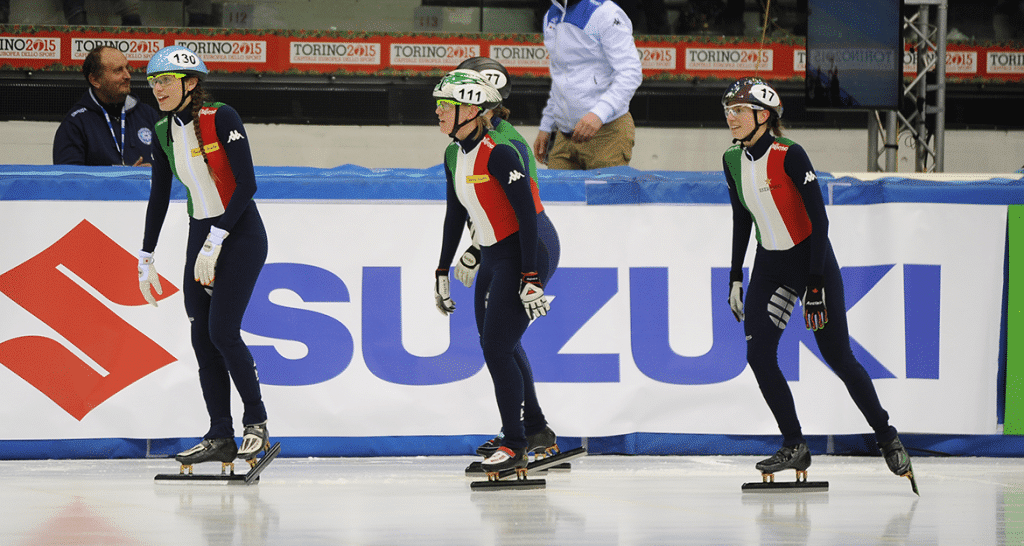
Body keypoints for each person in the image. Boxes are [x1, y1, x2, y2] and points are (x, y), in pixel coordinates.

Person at [721, 76, 915, 484]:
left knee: (839, 357)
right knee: (759, 356)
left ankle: (886, 436)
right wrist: (736, 275)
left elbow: (819, 220)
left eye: (738, 110)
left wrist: (813, 286)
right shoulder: (731, 160)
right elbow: (742, 218)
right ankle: (795, 444)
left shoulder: (791, 154)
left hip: (812, 262)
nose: (730, 117)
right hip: (769, 265)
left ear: (763, 115)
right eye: (729, 110)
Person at [137, 45, 271, 469]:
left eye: (165, 81)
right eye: (153, 81)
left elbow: (247, 183)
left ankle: (257, 424)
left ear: (190, 83)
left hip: (240, 233)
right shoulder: (162, 130)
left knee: (223, 331)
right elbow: (160, 193)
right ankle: (219, 434)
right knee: (201, 333)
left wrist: (217, 238)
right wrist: (146, 255)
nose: (157, 88)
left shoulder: (221, 117)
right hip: (201, 233)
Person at [432, 69, 561, 476]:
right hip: (492, 251)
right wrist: (441, 267)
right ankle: (534, 430)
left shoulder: (502, 151)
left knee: (497, 345)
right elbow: (456, 213)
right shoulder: (454, 153)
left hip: (527, 247)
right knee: (497, 342)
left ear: (470, 110)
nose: (437, 112)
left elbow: (525, 215)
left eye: (444, 106)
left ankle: (515, 443)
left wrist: (530, 277)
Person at [533, 0, 642, 170]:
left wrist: (599, 114)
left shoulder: (605, 12)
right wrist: (547, 125)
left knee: (605, 197)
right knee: (555, 197)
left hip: (607, 135)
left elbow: (631, 72)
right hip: (564, 137)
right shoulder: (551, 15)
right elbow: (561, 76)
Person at [53, 45, 159, 166]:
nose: (127, 76)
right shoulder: (75, 124)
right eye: (118, 70)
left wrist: (155, 171)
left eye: (127, 68)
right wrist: (124, 180)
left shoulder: (148, 115)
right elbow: (69, 180)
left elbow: (174, 166)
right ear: (95, 80)